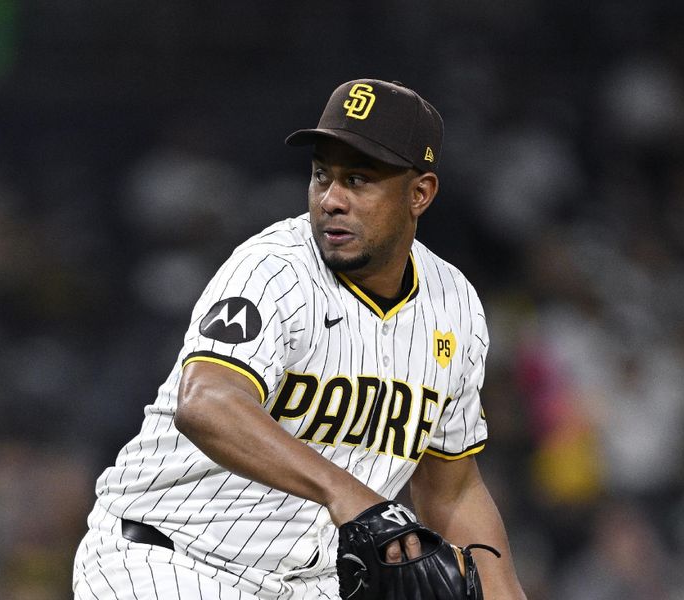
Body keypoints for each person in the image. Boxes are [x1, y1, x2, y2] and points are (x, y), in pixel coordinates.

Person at [73, 78, 527, 599]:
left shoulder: (455, 306)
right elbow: (206, 402)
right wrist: (349, 495)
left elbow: (453, 490)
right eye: (321, 176)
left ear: (419, 193)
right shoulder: (273, 270)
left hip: (304, 585)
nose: (331, 200)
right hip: (169, 556)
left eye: (358, 180)